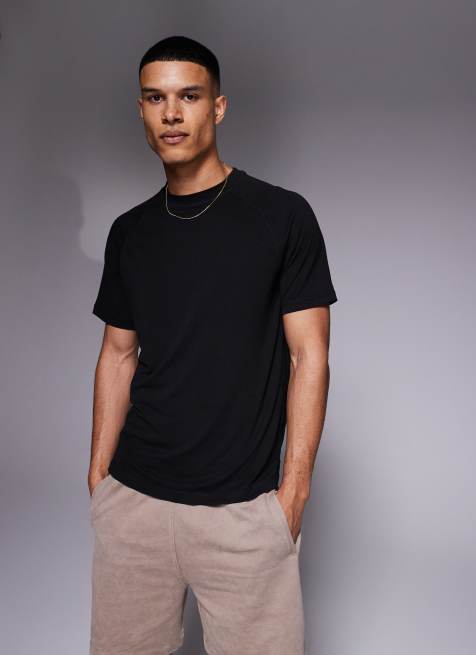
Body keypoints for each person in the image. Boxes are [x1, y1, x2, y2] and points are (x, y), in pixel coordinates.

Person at [88, 35, 338, 655]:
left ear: (218, 107)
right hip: (135, 504)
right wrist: (100, 477)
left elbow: (310, 357)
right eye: (156, 98)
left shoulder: (282, 216)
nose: (172, 113)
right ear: (142, 111)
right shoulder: (130, 232)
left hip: (243, 514)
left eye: (189, 96)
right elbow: (117, 354)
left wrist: (293, 494)